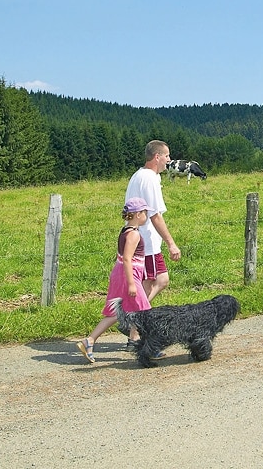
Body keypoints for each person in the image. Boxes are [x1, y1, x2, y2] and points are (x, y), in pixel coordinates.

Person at [77, 197, 153, 363]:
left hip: (121, 274)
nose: (146, 215)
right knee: (145, 310)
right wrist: (132, 284)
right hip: (128, 276)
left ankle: (89, 341)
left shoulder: (125, 231)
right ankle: (149, 348)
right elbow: (127, 259)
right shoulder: (133, 234)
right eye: (145, 212)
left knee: (117, 312)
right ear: (138, 214)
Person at [125, 140, 182, 302]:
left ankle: (134, 319)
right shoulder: (149, 179)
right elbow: (155, 215)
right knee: (150, 282)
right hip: (146, 240)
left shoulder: (139, 175)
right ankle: (133, 319)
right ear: (157, 157)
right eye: (167, 156)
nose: (169, 160)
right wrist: (171, 244)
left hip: (138, 237)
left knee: (160, 279)